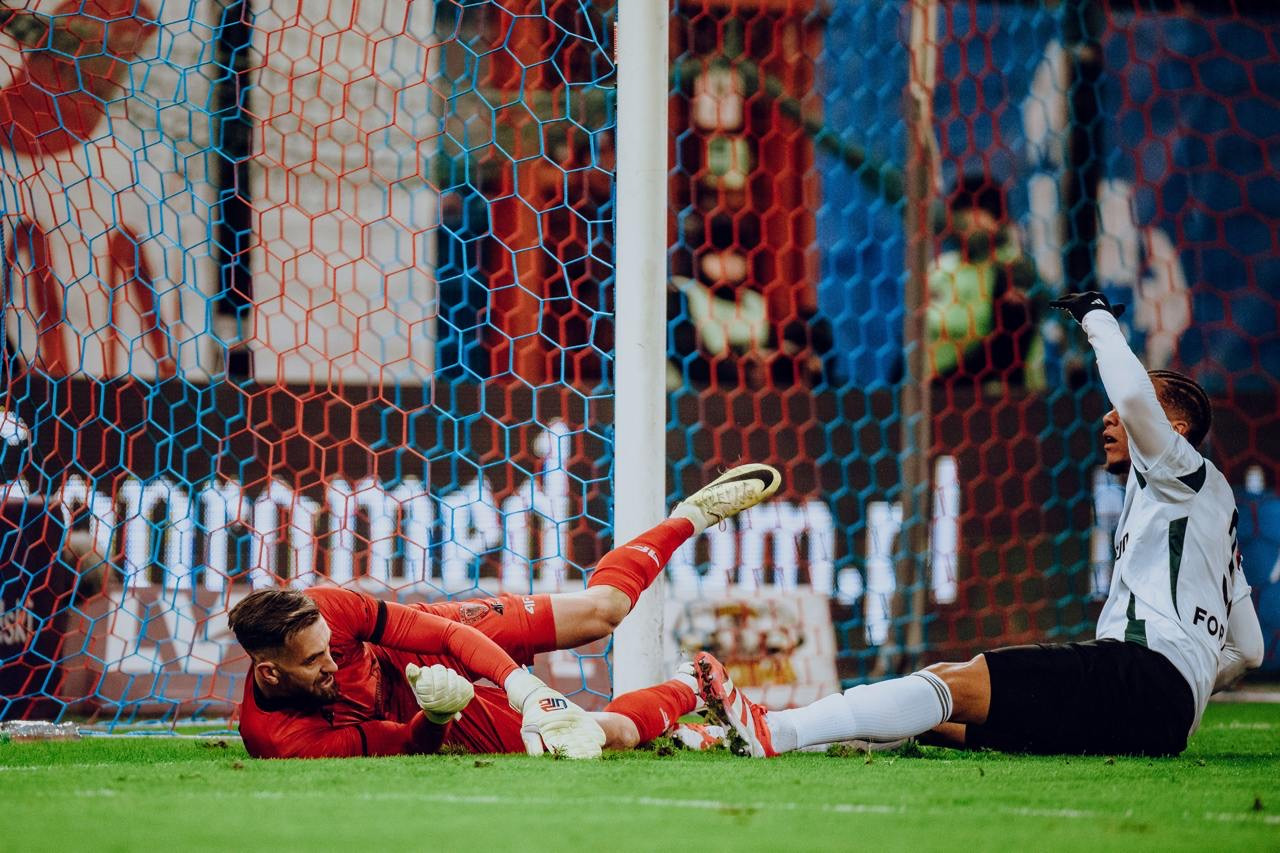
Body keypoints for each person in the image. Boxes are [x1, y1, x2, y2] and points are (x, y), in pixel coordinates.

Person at [695, 293, 1263, 758]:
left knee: (955, 680)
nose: (1109, 417)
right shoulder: (1212, 513)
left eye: (1127, 413)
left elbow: (1135, 395)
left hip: (1137, 673)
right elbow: (1250, 650)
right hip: (1164, 723)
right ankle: (761, 735)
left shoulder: (1181, 471)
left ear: (1177, 431)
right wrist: (1185, 686)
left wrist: (1096, 317)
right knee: (950, 723)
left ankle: (779, 730)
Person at [227, 463, 781, 759]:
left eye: (329, 648)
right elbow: (409, 746)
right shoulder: (283, 743)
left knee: (604, 610)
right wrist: (437, 715)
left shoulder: (327, 608)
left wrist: (527, 690)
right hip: (432, 708)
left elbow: (444, 635)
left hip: (416, 650)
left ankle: (690, 515)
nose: (330, 662)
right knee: (595, 738)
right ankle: (692, 683)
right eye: (314, 661)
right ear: (270, 673)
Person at [926, 174, 1044, 390]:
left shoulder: (1012, 268)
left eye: (978, 211)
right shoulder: (940, 269)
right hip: (930, 395)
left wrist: (944, 384)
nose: (967, 221)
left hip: (991, 395)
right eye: (961, 212)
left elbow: (1008, 349)